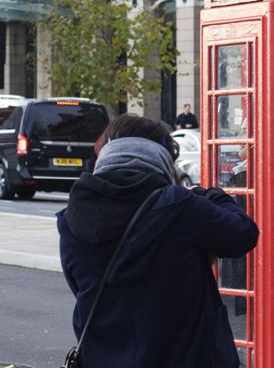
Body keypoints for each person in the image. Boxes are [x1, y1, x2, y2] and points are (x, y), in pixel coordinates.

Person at [57, 114, 258, 367]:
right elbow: (243, 234)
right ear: (160, 157)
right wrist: (210, 195)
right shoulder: (180, 206)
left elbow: (80, 286)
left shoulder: (71, 218)